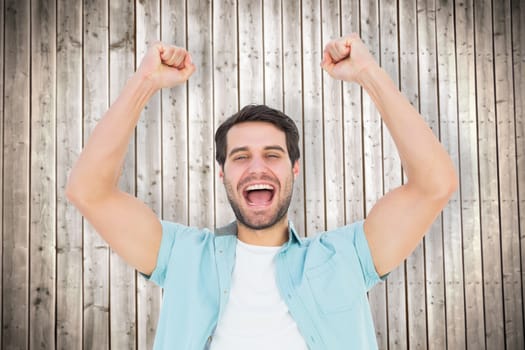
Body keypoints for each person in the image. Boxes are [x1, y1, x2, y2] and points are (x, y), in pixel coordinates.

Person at [66, 33, 458, 349]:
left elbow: (434, 185)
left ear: (295, 168)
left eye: (272, 155)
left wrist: (370, 73)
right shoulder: (182, 256)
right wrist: (144, 82)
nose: (257, 167)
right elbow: (88, 190)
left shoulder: (346, 258)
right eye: (240, 157)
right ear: (221, 173)